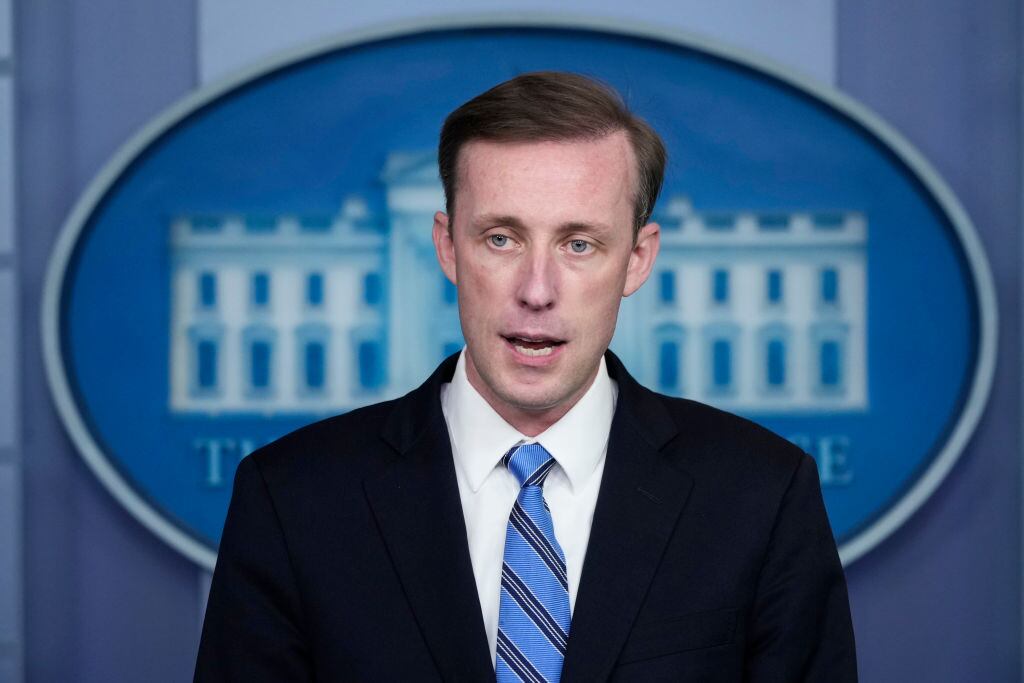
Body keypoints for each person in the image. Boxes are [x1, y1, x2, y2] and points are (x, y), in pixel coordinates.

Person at [194, 71, 857, 682]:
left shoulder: (763, 496)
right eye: (501, 239)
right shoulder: (291, 499)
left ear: (637, 259)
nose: (537, 291)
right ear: (448, 247)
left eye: (579, 244)